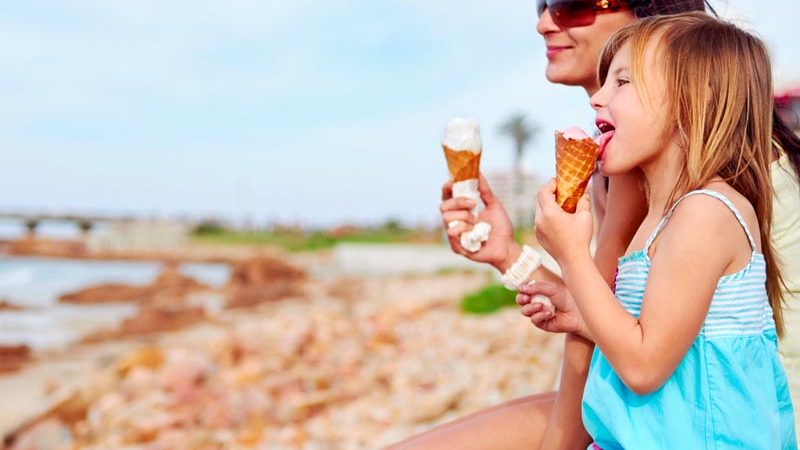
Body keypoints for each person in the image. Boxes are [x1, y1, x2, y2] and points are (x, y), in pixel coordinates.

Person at [389, 0, 800, 448]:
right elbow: (623, 316)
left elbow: (641, 361)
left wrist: (569, 255)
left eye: (571, 3)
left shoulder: (698, 207)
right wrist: (508, 255)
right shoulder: (655, 192)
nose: (546, 22)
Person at [533, 12, 796, 447]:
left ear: (692, 100)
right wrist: (582, 312)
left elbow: (643, 367)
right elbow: (655, 326)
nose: (597, 98)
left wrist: (572, 257)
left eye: (622, 82)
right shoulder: (661, 216)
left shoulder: (706, 213)